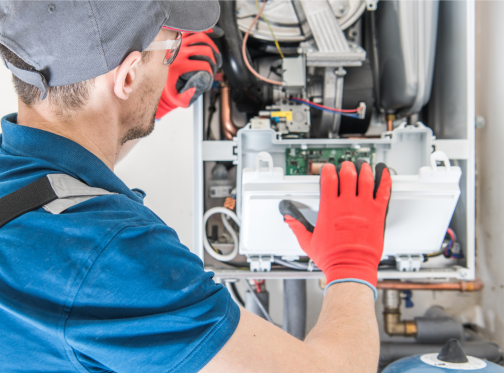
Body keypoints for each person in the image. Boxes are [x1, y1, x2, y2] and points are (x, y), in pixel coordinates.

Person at [0, 1, 391, 372]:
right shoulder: (113, 259)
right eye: (170, 49)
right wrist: (351, 265)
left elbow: (61, 183)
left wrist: (144, 108)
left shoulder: (13, 175)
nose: (173, 61)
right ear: (128, 76)